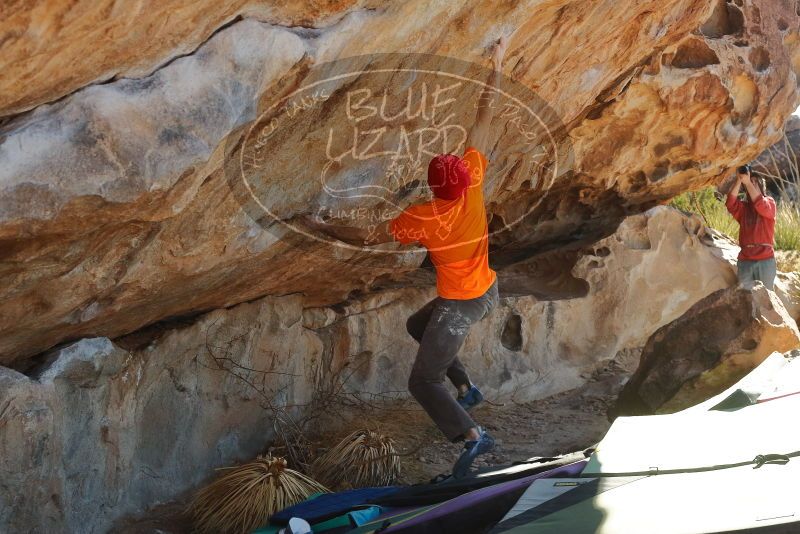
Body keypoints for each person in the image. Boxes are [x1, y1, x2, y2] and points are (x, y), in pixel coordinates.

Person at [304, 37, 508, 478]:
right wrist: (497, 60)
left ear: (433, 185)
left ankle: (473, 437)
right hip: (488, 288)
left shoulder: (425, 216)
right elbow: (485, 118)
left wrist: (324, 225)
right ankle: (467, 388)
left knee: (421, 381)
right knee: (417, 325)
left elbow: (370, 234)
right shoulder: (471, 186)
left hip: (461, 304)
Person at [725, 164, 777, 290]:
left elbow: (761, 205)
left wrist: (747, 182)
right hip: (745, 260)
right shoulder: (744, 208)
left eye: (755, 182)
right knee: (745, 299)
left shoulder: (770, 202)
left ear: (761, 187)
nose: (751, 184)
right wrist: (739, 180)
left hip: (765, 261)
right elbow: (730, 203)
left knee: (766, 301)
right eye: (749, 182)